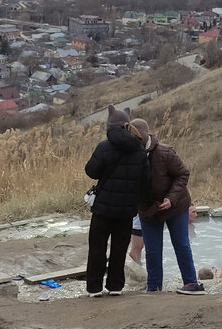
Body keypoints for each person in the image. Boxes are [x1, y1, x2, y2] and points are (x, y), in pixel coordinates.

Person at [130, 117, 204, 294]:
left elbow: (183, 174)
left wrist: (171, 198)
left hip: (175, 207)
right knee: (153, 251)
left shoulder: (165, 152)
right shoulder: (128, 155)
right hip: (148, 211)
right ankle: (154, 287)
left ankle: (191, 283)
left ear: (144, 137)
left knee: (181, 244)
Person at [84, 106, 150, 297]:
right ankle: (115, 286)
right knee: (119, 248)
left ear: (109, 125)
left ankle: (94, 288)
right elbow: (146, 181)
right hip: (126, 211)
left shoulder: (104, 147)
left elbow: (91, 171)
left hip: (103, 209)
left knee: (97, 247)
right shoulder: (139, 151)